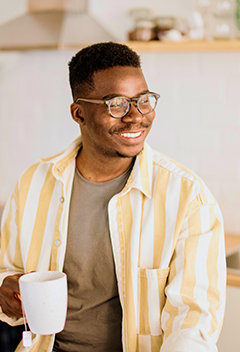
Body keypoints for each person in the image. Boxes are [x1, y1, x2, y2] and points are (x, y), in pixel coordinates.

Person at [0, 42, 226, 352]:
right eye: (116, 103)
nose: (136, 116)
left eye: (144, 101)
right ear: (79, 113)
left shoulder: (188, 198)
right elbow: (7, 269)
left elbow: (192, 321)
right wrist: (5, 288)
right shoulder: (33, 184)